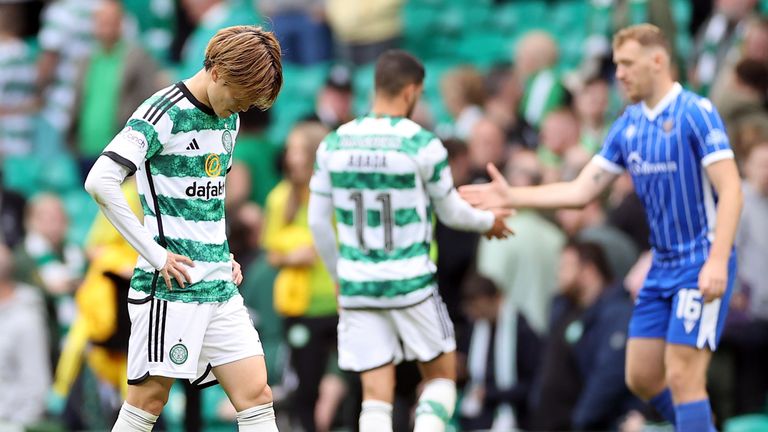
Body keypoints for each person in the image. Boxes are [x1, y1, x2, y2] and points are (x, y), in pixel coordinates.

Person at [460, 24, 743, 432]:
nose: (620, 75)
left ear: (658, 60)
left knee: (683, 377)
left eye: (627, 64)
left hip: (700, 261)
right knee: (642, 378)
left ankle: (693, 418)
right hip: (661, 265)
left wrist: (717, 261)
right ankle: (696, 422)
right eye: (616, 66)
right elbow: (580, 191)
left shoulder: (695, 112)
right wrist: (514, 197)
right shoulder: (628, 124)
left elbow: (731, 188)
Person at [84, 25, 283, 432]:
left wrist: (222, 253)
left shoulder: (229, 121)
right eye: (239, 98)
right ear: (216, 71)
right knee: (147, 402)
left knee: (257, 396)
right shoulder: (163, 111)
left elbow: (207, 200)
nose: (240, 110)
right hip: (170, 290)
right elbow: (99, 180)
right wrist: (156, 256)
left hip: (218, 287)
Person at [307, 50, 511, 432]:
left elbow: (318, 223)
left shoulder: (333, 144)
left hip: (357, 284)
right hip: (410, 281)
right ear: (412, 91)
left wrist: (339, 275)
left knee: (375, 397)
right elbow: (450, 211)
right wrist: (489, 222)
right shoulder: (421, 143)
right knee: (441, 378)